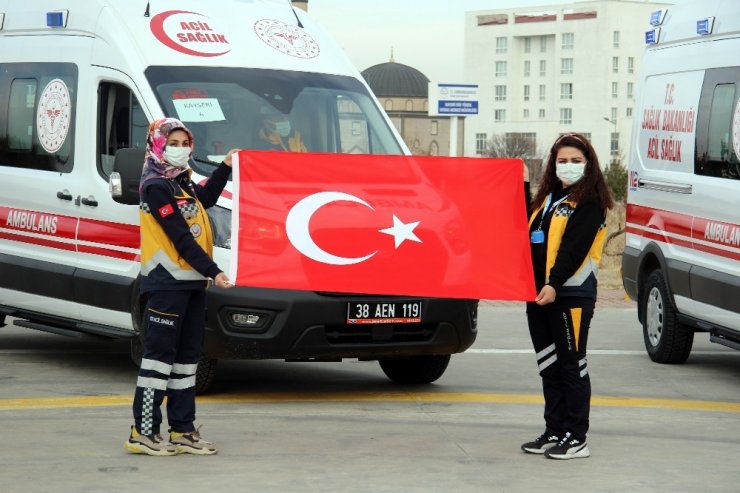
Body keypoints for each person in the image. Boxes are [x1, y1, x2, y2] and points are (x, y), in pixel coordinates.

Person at [124, 117, 238, 456]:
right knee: (158, 360)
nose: (180, 149)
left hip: (191, 285)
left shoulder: (182, 181)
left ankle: (182, 429)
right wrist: (214, 271)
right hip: (166, 284)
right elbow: (179, 236)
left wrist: (225, 167)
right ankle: (142, 432)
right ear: (157, 144)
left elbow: (208, 198)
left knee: (187, 361)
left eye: (185, 143)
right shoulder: (155, 185)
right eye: (172, 143)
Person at [520, 132, 613, 460]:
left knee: (572, 365)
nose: (569, 166)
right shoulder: (546, 201)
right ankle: (555, 429)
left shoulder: (590, 202)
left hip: (570, 295)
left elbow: (573, 248)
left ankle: (577, 437)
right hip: (539, 295)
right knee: (549, 365)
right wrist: (522, 188)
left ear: (588, 165)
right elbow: (525, 235)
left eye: (576, 161)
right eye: (563, 161)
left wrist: (554, 283)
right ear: (553, 164)